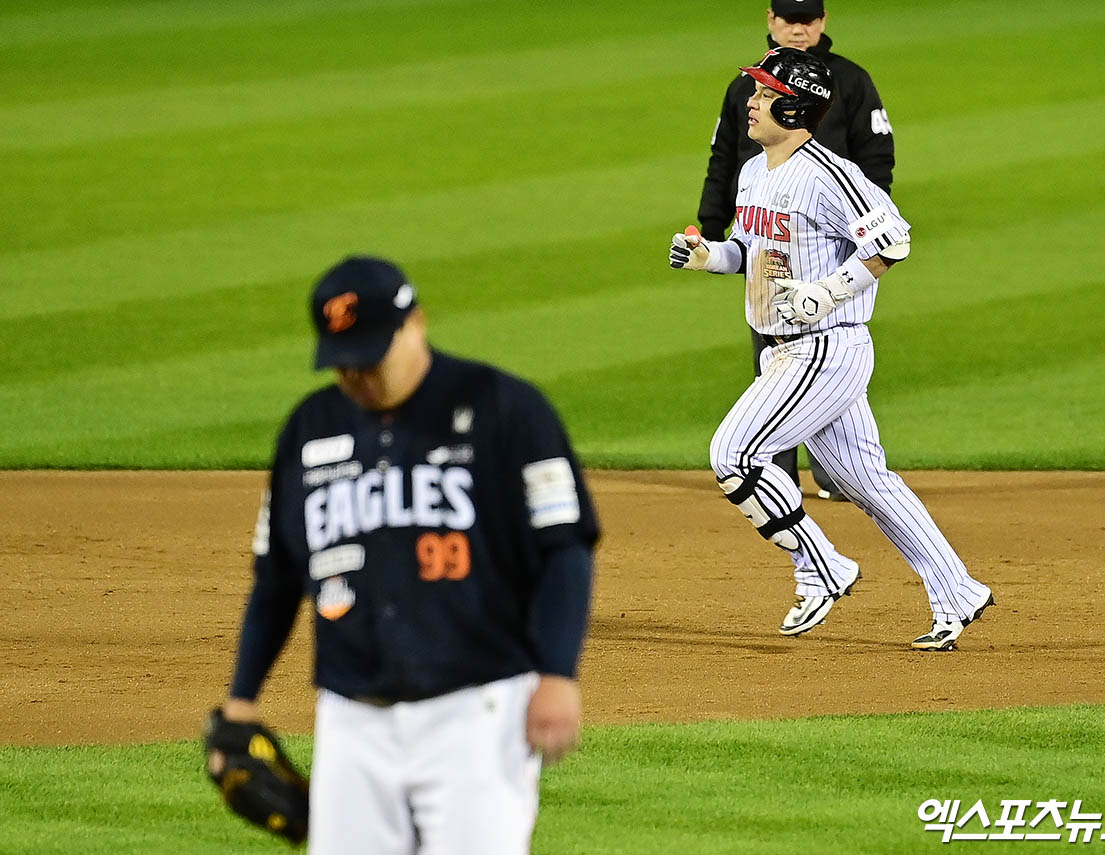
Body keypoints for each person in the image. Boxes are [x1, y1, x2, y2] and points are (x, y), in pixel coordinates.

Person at [208, 255, 599, 853]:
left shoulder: (505, 408)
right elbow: (276, 579)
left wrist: (557, 674)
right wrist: (240, 702)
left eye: (371, 358)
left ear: (415, 323)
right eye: (343, 365)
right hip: (350, 719)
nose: (358, 377)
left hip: (478, 712)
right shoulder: (308, 430)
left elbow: (565, 548)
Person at [669, 48, 992, 650]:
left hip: (826, 347)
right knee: (868, 481)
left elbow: (892, 242)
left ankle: (821, 567)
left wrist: (828, 290)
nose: (753, 102)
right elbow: (747, 250)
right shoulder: (753, 172)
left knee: (733, 455)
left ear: (794, 106)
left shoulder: (825, 173)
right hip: (784, 350)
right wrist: (709, 257)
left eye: (765, 94)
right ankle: (958, 589)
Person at [698, 0, 895, 502]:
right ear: (771, 20)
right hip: (767, 237)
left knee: (742, 450)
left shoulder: (847, 84)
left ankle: (822, 559)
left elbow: (876, 164)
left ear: (823, 23)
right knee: (771, 352)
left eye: (807, 18)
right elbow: (724, 157)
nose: (798, 27)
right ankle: (784, 483)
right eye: (789, 18)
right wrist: (712, 238)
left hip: (824, 248)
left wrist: (848, 249)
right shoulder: (750, 137)